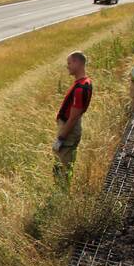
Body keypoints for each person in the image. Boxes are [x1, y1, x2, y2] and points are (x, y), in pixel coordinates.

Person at [54, 51, 93, 184]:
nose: (68, 66)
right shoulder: (83, 83)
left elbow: (73, 117)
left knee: (63, 165)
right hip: (70, 129)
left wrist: (61, 138)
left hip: (69, 131)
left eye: (69, 63)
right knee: (65, 163)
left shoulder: (80, 88)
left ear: (78, 63)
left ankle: (61, 192)